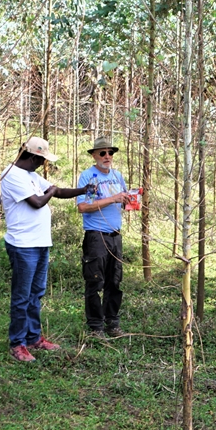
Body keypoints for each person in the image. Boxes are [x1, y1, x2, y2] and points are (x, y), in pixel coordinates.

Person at [1, 137, 88, 361]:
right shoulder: (11, 174)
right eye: (42, 160)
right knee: (22, 296)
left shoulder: (30, 175)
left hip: (40, 243)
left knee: (36, 293)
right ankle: (17, 343)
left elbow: (56, 192)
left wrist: (83, 190)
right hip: (23, 245)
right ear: (32, 157)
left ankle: (33, 338)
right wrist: (50, 192)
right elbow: (37, 202)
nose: (43, 164)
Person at [77, 136, 130, 338]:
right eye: (102, 153)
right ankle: (96, 327)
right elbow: (84, 206)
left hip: (115, 235)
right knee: (95, 281)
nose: (107, 156)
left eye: (110, 153)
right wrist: (112, 198)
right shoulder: (89, 177)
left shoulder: (117, 176)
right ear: (94, 155)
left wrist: (129, 200)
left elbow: (123, 201)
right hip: (97, 236)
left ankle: (112, 324)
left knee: (114, 281)